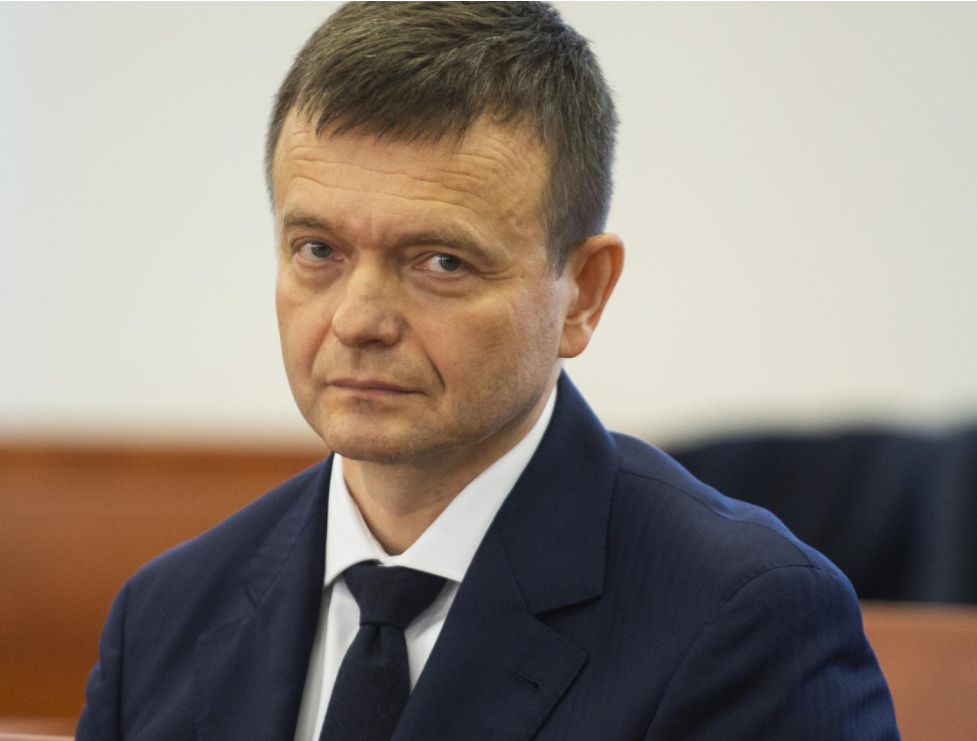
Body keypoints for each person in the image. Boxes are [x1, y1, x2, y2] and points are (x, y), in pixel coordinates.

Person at [77, 3, 900, 740]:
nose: (357, 320)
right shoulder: (163, 615)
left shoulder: (745, 618)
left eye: (440, 261)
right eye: (318, 249)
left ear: (583, 293)